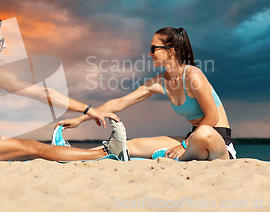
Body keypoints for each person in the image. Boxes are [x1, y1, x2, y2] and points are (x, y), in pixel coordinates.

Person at [0, 17, 130, 163]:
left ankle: (96, 152)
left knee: (18, 146)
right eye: (0, 41)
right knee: (32, 147)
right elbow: (43, 94)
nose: (4, 46)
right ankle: (105, 153)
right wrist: (89, 110)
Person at [55, 27, 236, 161]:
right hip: (193, 139)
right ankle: (76, 154)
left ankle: (181, 155)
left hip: (217, 142)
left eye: (154, 49)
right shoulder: (159, 82)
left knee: (203, 131)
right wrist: (81, 118)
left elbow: (211, 118)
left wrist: (183, 145)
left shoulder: (193, 76)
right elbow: (119, 103)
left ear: (170, 51)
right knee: (132, 145)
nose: (149, 54)